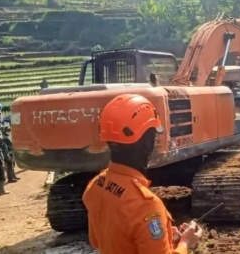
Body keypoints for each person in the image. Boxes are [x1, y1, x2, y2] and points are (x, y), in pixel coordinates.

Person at [82, 94, 202, 254]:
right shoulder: (146, 206)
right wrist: (186, 243)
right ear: (147, 143)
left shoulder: (96, 185)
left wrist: (163, 236)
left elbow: (96, 241)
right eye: (154, 136)